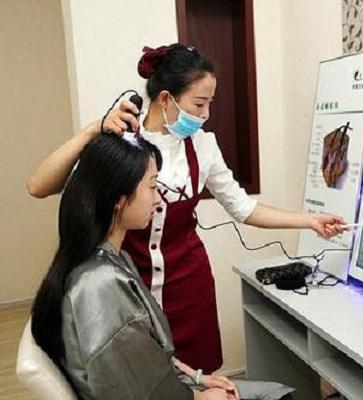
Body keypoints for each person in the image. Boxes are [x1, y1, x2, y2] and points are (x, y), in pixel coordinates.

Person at [27, 43, 346, 373]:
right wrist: (94, 129)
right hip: (128, 285)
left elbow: (244, 208)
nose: (206, 114)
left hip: (190, 287)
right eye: (199, 103)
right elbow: (38, 186)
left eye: (210, 103)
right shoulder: (121, 141)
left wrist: (309, 220)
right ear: (166, 99)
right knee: (140, 377)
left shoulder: (204, 146)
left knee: (199, 377)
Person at [31, 134, 294, 400]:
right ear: (119, 199)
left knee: (270, 391)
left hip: (176, 375)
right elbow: (140, 390)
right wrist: (203, 397)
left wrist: (197, 378)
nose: (159, 200)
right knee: (277, 394)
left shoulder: (108, 262)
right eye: (153, 186)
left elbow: (147, 361)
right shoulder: (100, 285)